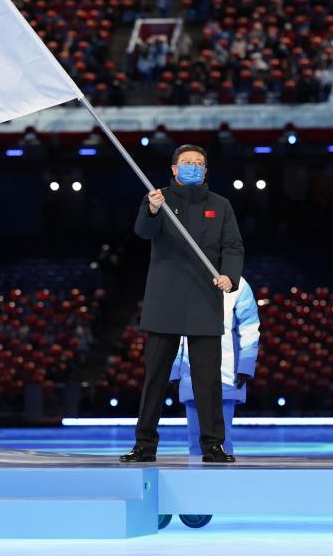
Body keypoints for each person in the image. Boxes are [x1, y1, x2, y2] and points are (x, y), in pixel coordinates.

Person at [120, 144, 244, 463]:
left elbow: (232, 246)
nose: (191, 167)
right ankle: (144, 445)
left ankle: (213, 445)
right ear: (173, 169)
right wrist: (150, 210)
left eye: (198, 163)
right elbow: (142, 232)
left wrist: (230, 276)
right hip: (166, 300)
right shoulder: (158, 198)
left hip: (205, 298)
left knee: (207, 380)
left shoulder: (221, 205)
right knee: (156, 378)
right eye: (185, 162)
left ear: (206, 171)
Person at [170, 276, 259, 456]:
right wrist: (174, 369)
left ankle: (223, 482)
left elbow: (249, 326)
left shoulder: (238, 284)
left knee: (222, 439)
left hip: (226, 372)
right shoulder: (186, 279)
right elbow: (175, 329)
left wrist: (245, 365)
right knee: (195, 440)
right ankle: (193, 482)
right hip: (190, 372)